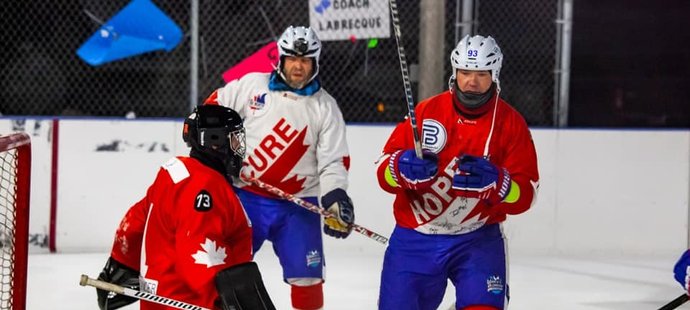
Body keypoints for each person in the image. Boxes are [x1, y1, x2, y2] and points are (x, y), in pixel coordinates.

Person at [375, 35, 540, 310]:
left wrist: (500, 184)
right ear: (455, 72)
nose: (471, 81)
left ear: (494, 74)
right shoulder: (427, 111)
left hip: (477, 239)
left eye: (481, 73)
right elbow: (382, 172)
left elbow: (527, 195)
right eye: (465, 72)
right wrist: (400, 168)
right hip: (415, 236)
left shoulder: (511, 123)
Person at [203, 25, 354, 310]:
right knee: (224, 268)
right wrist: (216, 149)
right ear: (281, 59)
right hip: (246, 197)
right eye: (293, 59)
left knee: (307, 279)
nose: (298, 66)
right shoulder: (252, 86)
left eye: (306, 60)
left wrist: (336, 195)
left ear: (315, 62)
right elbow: (213, 109)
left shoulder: (326, 107)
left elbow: (334, 161)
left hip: (298, 205)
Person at [95, 105, 275, 310]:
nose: (239, 146)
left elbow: (136, 219)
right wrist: (224, 302)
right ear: (215, 142)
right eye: (234, 139)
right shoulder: (205, 187)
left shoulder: (175, 173)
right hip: (192, 303)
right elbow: (197, 250)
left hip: (160, 302)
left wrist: (121, 262)